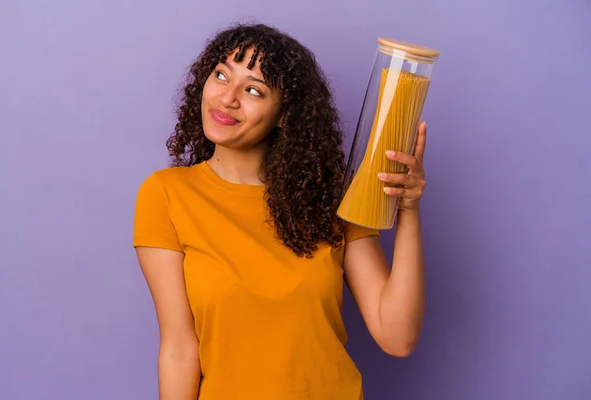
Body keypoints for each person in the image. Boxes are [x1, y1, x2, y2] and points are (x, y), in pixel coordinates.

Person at [133, 22, 427, 400]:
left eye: (254, 89)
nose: (227, 98)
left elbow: (397, 336)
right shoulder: (166, 194)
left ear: (285, 114)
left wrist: (410, 211)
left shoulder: (331, 194)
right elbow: (178, 349)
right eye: (221, 75)